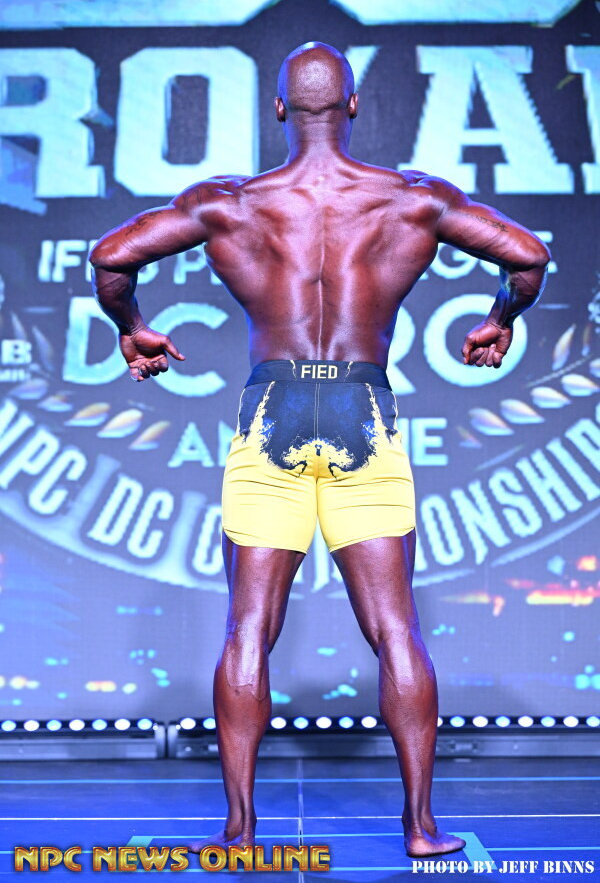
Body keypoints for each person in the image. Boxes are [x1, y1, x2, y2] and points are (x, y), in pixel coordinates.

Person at [89, 42, 550, 859]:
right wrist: (499, 318)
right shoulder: (412, 199)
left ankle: (240, 828)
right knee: (396, 628)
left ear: (278, 109)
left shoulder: (230, 204)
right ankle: (420, 828)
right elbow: (528, 257)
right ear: (354, 106)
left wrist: (133, 328)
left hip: (272, 407)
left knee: (247, 628)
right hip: (360, 406)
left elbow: (111, 258)